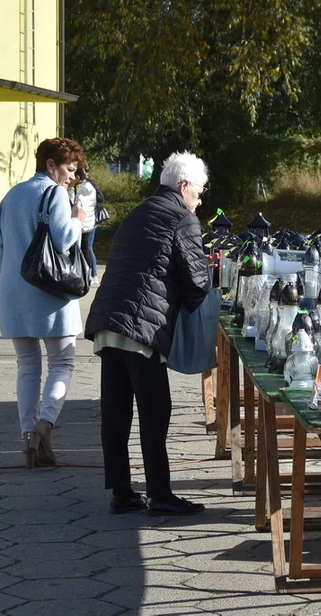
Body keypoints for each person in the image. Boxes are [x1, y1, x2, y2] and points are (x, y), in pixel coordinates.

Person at [85, 151, 210, 516]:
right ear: (184, 186)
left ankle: (122, 493)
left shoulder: (141, 211)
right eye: (199, 192)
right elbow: (197, 281)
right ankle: (160, 494)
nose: (199, 201)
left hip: (108, 322)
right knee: (156, 410)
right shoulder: (181, 218)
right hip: (141, 326)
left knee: (116, 410)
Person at [0, 137, 87, 468]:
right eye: (69, 169)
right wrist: (77, 219)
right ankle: (45, 426)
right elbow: (62, 239)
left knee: (27, 365)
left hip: (14, 294)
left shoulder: (11, 195)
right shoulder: (55, 194)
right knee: (62, 362)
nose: (71, 178)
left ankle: (26, 436)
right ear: (50, 165)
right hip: (51, 295)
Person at [74, 166, 100, 287]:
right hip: (90, 222)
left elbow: (77, 204)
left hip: (85, 224)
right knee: (87, 249)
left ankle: (91, 274)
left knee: (86, 249)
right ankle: (91, 274)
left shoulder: (83, 188)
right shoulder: (89, 186)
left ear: (78, 177)